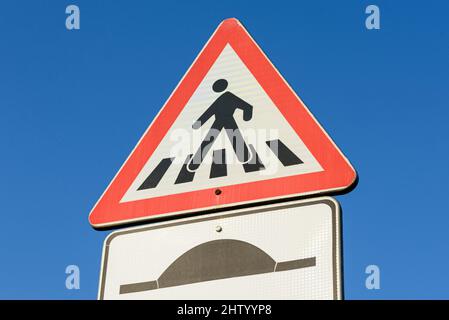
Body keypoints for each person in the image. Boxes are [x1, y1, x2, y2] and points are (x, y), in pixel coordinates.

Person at [187, 79, 253, 172]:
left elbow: (247, 106)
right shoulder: (223, 98)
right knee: (209, 140)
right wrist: (198, 124)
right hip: (219, 121)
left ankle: (244, 157)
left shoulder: (228, 96)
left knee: (232, 137)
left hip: (227, 120)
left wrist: (247, 117)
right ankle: (195, 163)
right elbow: (209, 112)